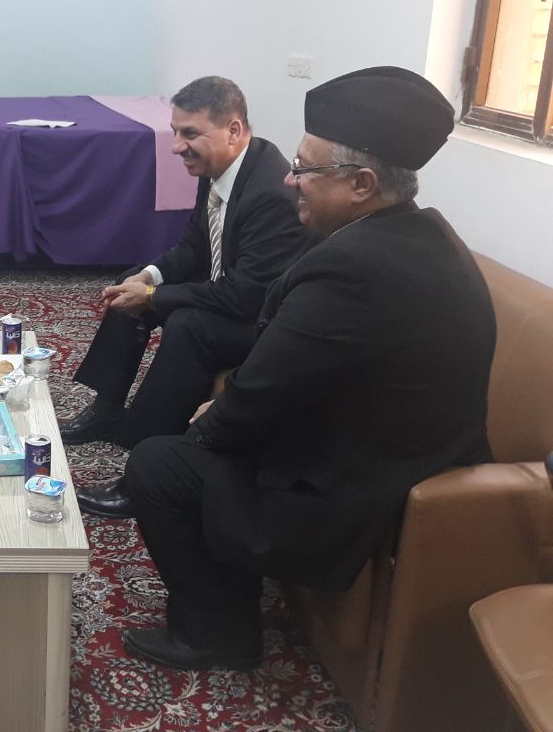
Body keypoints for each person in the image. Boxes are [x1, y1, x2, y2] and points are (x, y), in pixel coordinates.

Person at [118, 67, 495, 672]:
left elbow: (262, 392)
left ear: (362, 183)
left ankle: (217, 634)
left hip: (366, 481)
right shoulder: (415, 234)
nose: (290, 180)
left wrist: (205, 427)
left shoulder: (353, 269)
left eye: (305, 169)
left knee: (159, 465)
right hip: (387, 444)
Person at [67, 77, 314, 519]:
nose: (176, 146)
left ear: (233, 130)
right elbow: (193, 249)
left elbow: (245, 297)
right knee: (130, 282)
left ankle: (142, 474)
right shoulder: (222, 168)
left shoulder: (269, 194)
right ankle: (106, 410)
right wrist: (147, 278)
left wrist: (155, 297)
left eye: (190, 134)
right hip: (233, 295)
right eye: (175, 132)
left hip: (266, 324)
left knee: (188, 326)